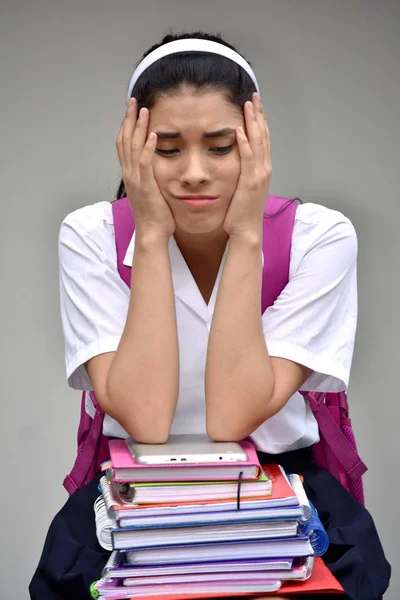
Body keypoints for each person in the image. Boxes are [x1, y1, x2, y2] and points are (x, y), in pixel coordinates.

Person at [29, 31, 391, 600]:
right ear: (132, 146)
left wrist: (247, 234)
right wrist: (150, 234)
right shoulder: (93, 235)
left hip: (282, 487)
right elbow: (145, 419)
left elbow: (233, 415)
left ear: (256, 142)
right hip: (133, 493)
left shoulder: (318, 237)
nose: (193, 172)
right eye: (167, 148)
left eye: (220, 146)